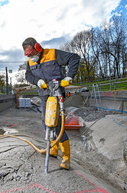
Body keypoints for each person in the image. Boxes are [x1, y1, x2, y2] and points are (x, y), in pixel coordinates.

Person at [22, 37, 80, 170]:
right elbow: (28, 75)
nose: (30, 57)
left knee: (57, 125)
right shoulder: (30, 61)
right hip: (44, 95)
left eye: (31, 54)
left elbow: (74, 58)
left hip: (57, 94)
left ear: (37, 47)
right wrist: (37, 81)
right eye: (28, 55)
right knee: (45, 122)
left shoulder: (53, 54)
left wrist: (69, 76)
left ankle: (66, 158)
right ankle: (53, 150)